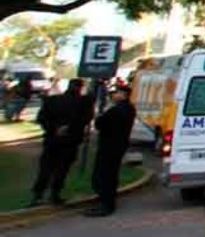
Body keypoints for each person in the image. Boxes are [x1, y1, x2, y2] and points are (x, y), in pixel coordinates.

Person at [30, 79, 88, 206]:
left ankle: (38, 195)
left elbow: (41, 118)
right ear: (80, 88)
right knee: (62, 168)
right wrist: (68, 128)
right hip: (70, 141)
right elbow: (85, 120)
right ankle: (54, 194)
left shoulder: (52, 100)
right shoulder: (83, 103)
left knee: (46, 167)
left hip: (52, 139)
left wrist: (54, 128)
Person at [84, 83, 136, 217]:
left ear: (123, 95)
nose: (113, 95)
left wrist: (100, 114)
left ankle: (106, 204)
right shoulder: (129, 108)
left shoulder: (116, 110)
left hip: (109, 146)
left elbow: (100, 123)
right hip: (119, 145)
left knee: (104, 175)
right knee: (110, 174)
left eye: (116, 93)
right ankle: (106, 202)